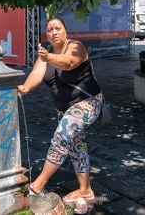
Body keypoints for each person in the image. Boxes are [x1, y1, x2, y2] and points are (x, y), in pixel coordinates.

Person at [17, 16, 102, 203]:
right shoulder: (45, 55)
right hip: (65, 108)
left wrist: (49, 57)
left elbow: (69, 62)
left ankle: (40, 182)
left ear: (65, 30)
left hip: (87, 103)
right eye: (50, 30)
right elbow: (36, 75)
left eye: (58, 28)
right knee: (76, 147)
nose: (54, 32)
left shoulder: (76, 47)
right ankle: (85, 190)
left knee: (62, 137)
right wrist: (26, 87)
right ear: (46, 35)